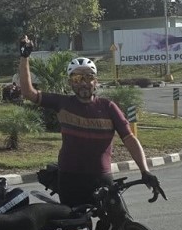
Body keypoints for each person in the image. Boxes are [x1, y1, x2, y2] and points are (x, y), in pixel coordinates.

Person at [17, 37, 158, 211]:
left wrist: (145, 171)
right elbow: (28, 93)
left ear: (95, 81)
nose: (83, 83)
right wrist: (24, 57)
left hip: (102, 178)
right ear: (70, 82)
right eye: (77, 78)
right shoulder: (62, 103)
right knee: (75, 226)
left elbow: (129, 139)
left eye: (88, 77)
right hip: (70, 180)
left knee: (120, 222)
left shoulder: (108, 107)